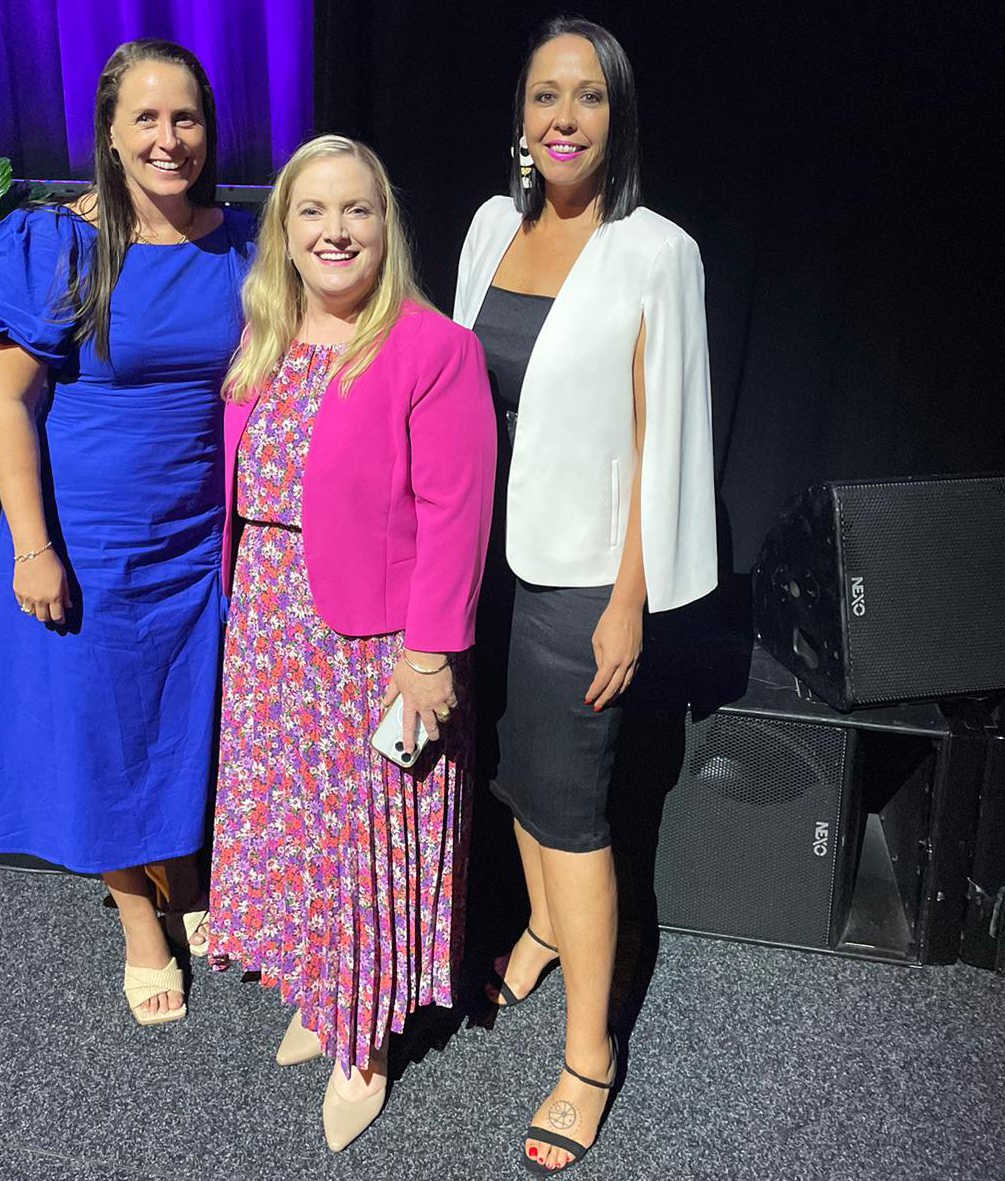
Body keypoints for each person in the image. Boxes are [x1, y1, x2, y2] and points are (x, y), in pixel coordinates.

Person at [453, 16, 717, 1174]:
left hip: (576, 580)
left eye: (588, 97)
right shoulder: (485, 227)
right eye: (544, 95)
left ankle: (590, 1053)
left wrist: (630, 599)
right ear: (521, 116)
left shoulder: (656, 249)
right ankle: (548, 928)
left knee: (572, 810)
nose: (563, 117)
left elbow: (667, 440)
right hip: (482, 562)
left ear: (617, 118)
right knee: (510, 768)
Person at [207, 134, 495, 1152]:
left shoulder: (432, 349)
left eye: (357, 211)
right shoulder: (265, 338)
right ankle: (325, 985)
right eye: (312, 212)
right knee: (299, 833)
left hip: (370, 643)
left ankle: (363, 1036)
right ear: (284, 231)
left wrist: (430, 655)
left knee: (365, 839)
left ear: (388, 224)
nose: (335, 231)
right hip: (274, 629)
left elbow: (458, 514)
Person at [0, 39, 254, 1026]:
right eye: (147, 118)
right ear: (111, 133)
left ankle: (184, 877)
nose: (170, 139)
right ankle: (140, 916)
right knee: (97, 728)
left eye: (187, 119)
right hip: (84, 542)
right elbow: (8, 402)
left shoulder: (244, 247)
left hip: (197, 539)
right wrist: (34, 545)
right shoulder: (58, 243)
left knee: (180, 720)